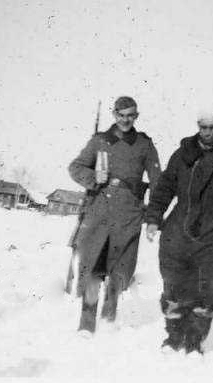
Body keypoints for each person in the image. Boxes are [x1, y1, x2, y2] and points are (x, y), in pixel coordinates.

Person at [145, 108, 213, 354]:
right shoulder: (182, 154)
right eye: (204, 127)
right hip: (179, 229)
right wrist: (153, 218)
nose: (208, 132)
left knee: (211, 287)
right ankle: (174, 337)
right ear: (198, 126)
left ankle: (195, 339)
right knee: (174, 284)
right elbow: (164, 188)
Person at [68, 96, 161, 335]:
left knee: (119, 271)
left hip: (129, 215)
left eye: (130, 115)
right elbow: (75, 167)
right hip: (99, 211)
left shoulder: (144, 144)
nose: (125, 120)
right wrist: (93, 178)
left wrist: (153, 216)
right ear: (114, 115)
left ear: (136, 116)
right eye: (121, 115)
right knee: (93, 268)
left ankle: (109, 319)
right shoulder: (99, 141)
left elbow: (157, 182)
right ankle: (86, 324)